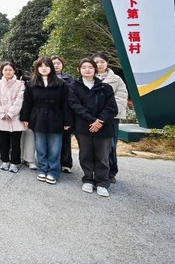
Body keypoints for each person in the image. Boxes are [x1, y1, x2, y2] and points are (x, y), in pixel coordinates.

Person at [68, 58, 118, 197]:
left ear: (95, 69)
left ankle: (102, 182)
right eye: (84, 67)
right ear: (79, 69)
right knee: (86, 154)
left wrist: (100, 121)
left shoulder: (105, 87)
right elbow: (75, 105)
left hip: (103, 127)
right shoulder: (73, 87)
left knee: (102, 156)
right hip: (83, 126)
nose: (87, 70)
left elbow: (111, 108)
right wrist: (92, 120)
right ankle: (88, 179)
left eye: (90, 67)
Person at [19, 57, 73, 185]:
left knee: (55, 148)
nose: (44, 68)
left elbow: (66, 103)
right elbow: (27, 103)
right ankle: (42, 169)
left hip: (56, 118)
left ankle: (53, 171)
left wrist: (67, 121)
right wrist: (25, 118)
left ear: (51, 68)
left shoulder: (61, 84)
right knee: (40, 147)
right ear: (37, 68)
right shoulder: (32, 84)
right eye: (41, 66)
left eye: (46, 65)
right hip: (38, 118)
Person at [92, 52, 128, 184]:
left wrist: (105, 114)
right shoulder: (88, 77)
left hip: (111, 118)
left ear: (107, 63)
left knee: (110, 145)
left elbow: (121, 98)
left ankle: (111, 172)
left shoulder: (116, 79)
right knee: (93, 145)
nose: (99, 64)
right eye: (96, 62)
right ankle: (94, 171)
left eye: (102, 62)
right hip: (92, 118)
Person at [0, 62, 26, 173]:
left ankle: (15, 162)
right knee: (3, 141)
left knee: (15, 142)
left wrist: (10, 113)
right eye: (5, 70)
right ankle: (4, 161)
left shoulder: (20, 84)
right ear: (2, 71)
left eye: (10, 69)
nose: (8, 72)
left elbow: (20, 100)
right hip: (0, 117)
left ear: (14, 71)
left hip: (15, 117)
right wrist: (1, 113)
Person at [52, 55, 74, 173]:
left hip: (65, 112)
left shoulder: (69, 79)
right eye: (53, 63)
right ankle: (54, 162)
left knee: (66, 139)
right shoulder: (45, 78)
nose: (56, 65)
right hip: (51, 113)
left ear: (62, 65)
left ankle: (66, 163)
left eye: (58, 63)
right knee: (52, 139)